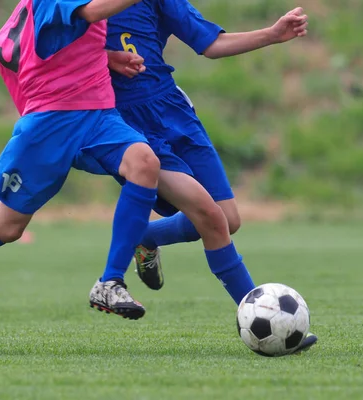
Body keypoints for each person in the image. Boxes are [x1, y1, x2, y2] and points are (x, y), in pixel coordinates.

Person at [0, 0, 162, 326]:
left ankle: (111, 281)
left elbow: (47, 40)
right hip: (50, 121)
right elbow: (88, 13)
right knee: (7, 226)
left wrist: (104, 58)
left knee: (144, 163)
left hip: (99, 113)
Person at [100, 2, 317, 351]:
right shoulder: (82, 7)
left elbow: (210, 43)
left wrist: (273, 35)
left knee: (228, 219)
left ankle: (144, 236)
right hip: (127, 124)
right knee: (210, 217)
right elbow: (54, 52)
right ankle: (260, 315)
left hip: (173, 109)